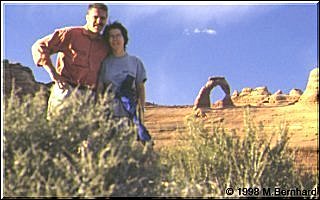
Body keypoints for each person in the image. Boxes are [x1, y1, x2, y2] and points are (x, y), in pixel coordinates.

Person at [31, 3, 109, 119]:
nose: (99, 21)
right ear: (87, 17)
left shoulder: (105, 45)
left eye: (102, 18)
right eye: (95, 17)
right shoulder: (70, 34)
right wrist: (53, 73)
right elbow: (39, 46)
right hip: (67, 90)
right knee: (58, 131)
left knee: (86, 135)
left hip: (90, 97)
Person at [97, 21, 151, 142]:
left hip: (129, 115)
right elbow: (100, 88)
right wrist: (99, 110)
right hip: (110, 114)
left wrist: (141, 110)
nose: (115, 39)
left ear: (124, 38)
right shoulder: (105, 63)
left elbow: (140, 88)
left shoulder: (135, 62)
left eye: (118, 35)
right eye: (111, 36)